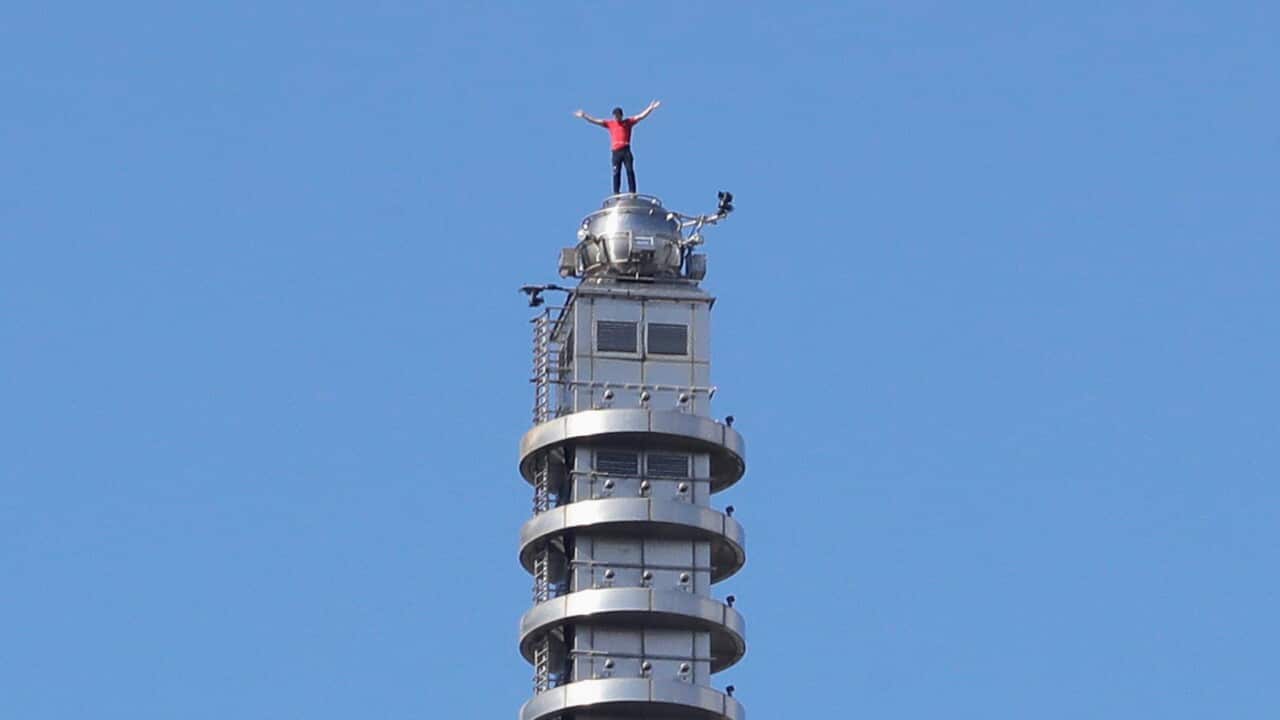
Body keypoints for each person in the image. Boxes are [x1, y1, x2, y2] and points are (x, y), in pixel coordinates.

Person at [574, 100, 661, 194]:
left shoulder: (628, 122)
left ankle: (632, 192)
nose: (616, 117)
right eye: (615, 115)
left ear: (621, 115)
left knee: (629, 170)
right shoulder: (610, 124)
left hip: (626, 150)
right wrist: (584, 116)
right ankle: (616, 193)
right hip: (616, 152)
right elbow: (596, 121)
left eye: (618, 115)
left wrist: (650, 108)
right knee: (616, 172)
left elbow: (640, 116)